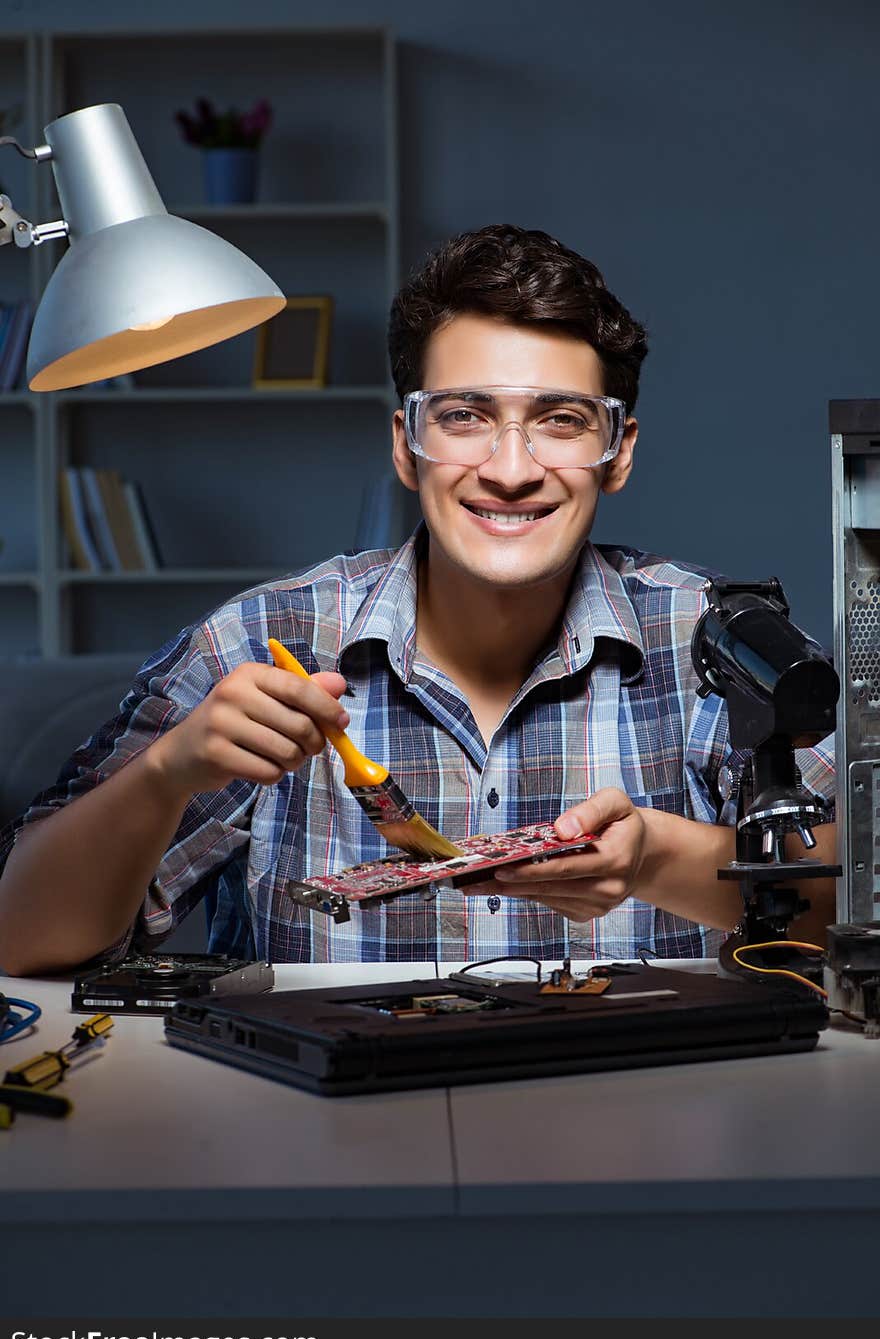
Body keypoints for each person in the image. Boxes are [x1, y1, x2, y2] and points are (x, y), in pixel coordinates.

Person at [0, 224, 836, 975]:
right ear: (406, 445)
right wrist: (166, 774)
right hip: (325, 1138)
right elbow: (20, 937)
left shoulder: (720, 640)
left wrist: (655, 859)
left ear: (617, 452)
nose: (511, 468)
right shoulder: (260, 638)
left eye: (561, 420)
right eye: (465, 415)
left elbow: (856, 913)